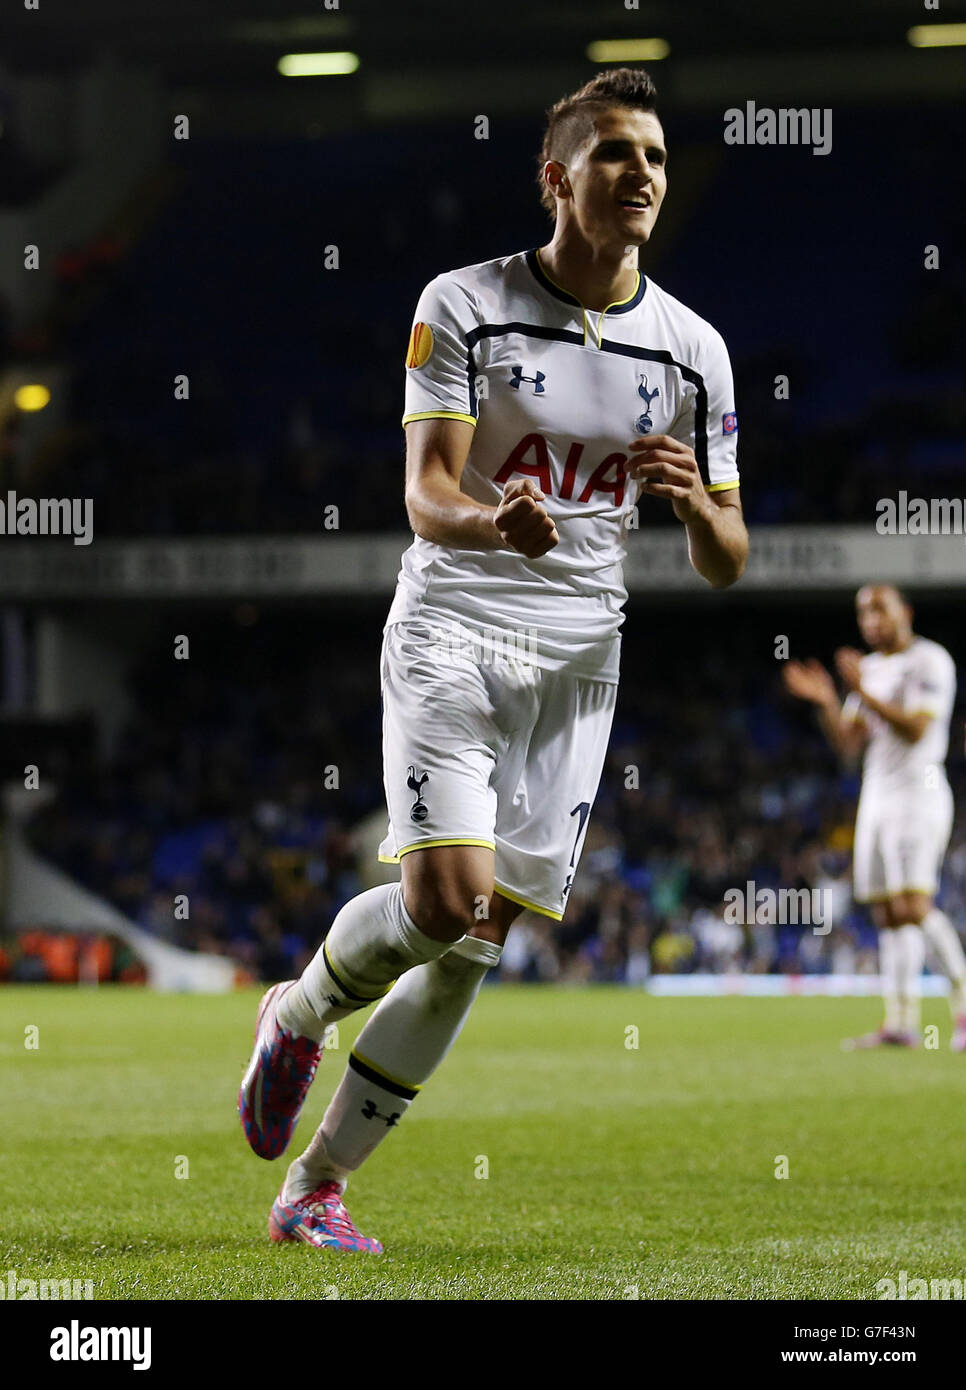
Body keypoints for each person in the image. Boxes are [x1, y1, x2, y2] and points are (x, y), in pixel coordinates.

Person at [239, 66, 747, 1253]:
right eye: (617, 153)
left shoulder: (694, 353)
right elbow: (425, 495)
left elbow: (729, 557)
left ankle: (316, 1186)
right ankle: (299, 1010)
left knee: (476, 946)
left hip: (578, 664)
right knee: (442, 904)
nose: (643, 176)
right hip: (455, 626)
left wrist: (694, 513)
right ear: (556, 175)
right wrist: (492, 520)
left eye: (659, 158)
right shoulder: (463, 303)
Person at [783, 585, 966, 1049]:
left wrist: (862, 690)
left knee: (913, 905)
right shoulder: (873, 668)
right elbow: (848, 745)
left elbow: (918, 728)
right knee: (887, 913)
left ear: (905, 611)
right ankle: (900, 1023)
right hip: (877, 795)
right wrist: (828, 699)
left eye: (879, 609)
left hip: (919, 792)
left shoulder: (930, 661)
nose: (870, 620)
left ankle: (963, 1007)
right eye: (863, 612)